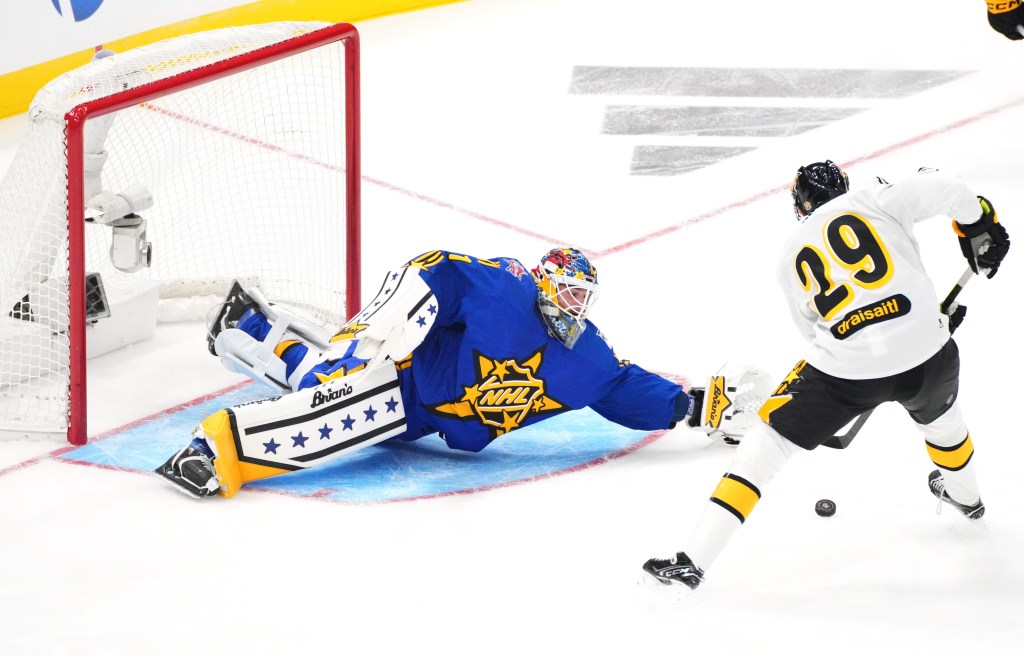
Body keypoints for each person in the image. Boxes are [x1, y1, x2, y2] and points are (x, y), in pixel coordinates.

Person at [641, 161, 1011, 593]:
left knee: (766, 446)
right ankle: (968, 500)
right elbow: (951, 185)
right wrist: (979, 227)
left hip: (849, 370)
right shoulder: (875, 197)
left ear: (800, 203)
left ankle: (691, 563)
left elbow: (815, 331)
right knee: (945, 423)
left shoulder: (788, 257)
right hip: (931, 352)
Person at [156, 247, 771, 498]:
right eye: (568, 295)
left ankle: (251, 329)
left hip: (432, 424)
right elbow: (436, 268)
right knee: (334, 410)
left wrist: (694, 408)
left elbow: (619, 387)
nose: (574, 309)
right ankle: (218, 450)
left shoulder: (583, 359)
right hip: (402, 382)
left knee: (323, 383)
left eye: (585, 300)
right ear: (544, 284)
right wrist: (387, 319)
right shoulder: (504, 293)